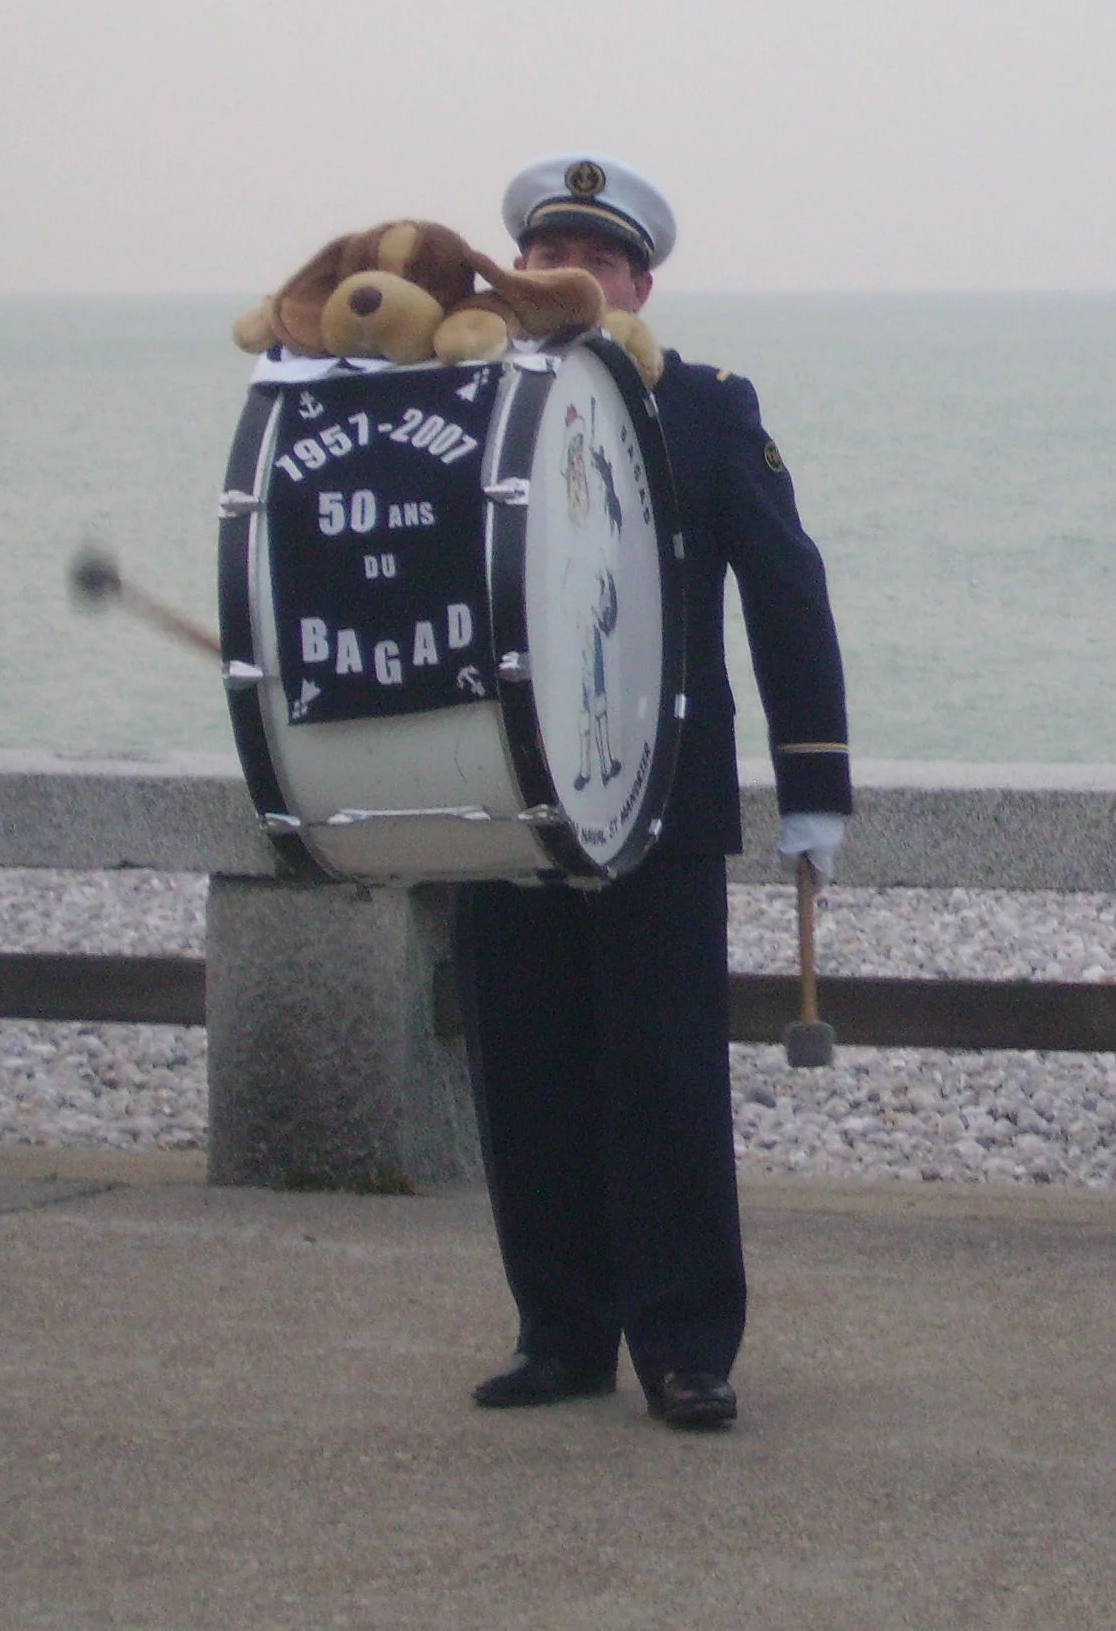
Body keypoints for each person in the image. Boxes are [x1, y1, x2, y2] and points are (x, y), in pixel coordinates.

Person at [454, 152, 852, 1431]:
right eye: (541, 254)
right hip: (507, 800)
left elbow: (787, 592)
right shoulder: (465, 403)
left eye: (594, 258)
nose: (561, 273)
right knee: (528, 1073)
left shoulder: (707, 409)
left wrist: (813, 787)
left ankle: (685, 1347)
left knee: (663, 1075)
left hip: (660, 799)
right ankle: (560, 1333)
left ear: (639, 279)